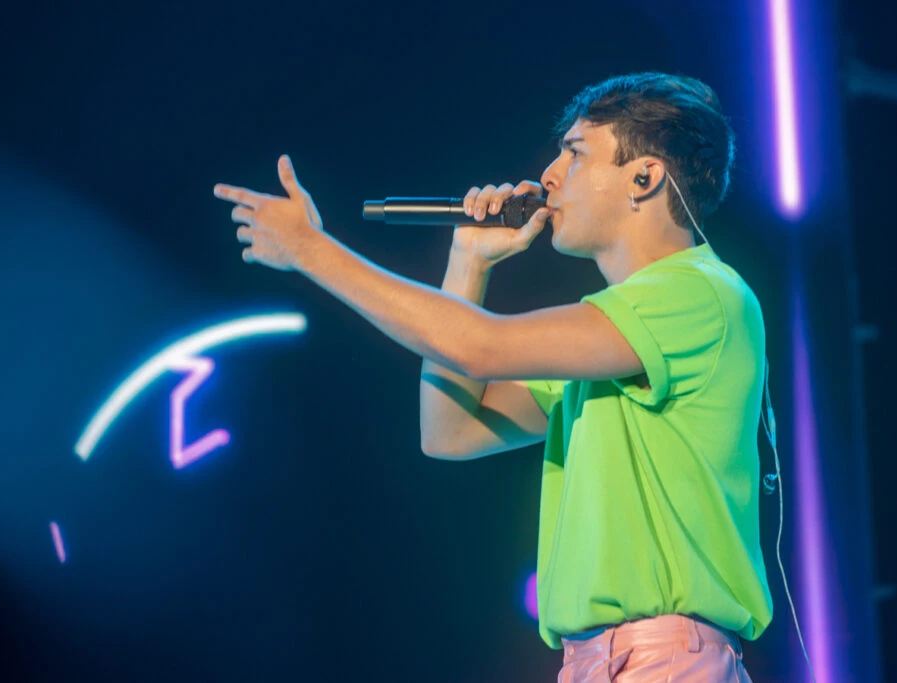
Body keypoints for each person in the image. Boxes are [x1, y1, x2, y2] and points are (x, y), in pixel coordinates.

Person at [214, 71, 772, 682]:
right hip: (595, 662)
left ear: (644, 178)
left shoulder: (699, 293)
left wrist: (311, 251)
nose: (549, 175)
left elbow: (481, 347)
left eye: (575, 153)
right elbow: (450, 431)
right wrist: (468, 261)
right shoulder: (608, 341)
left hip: (662, 660)